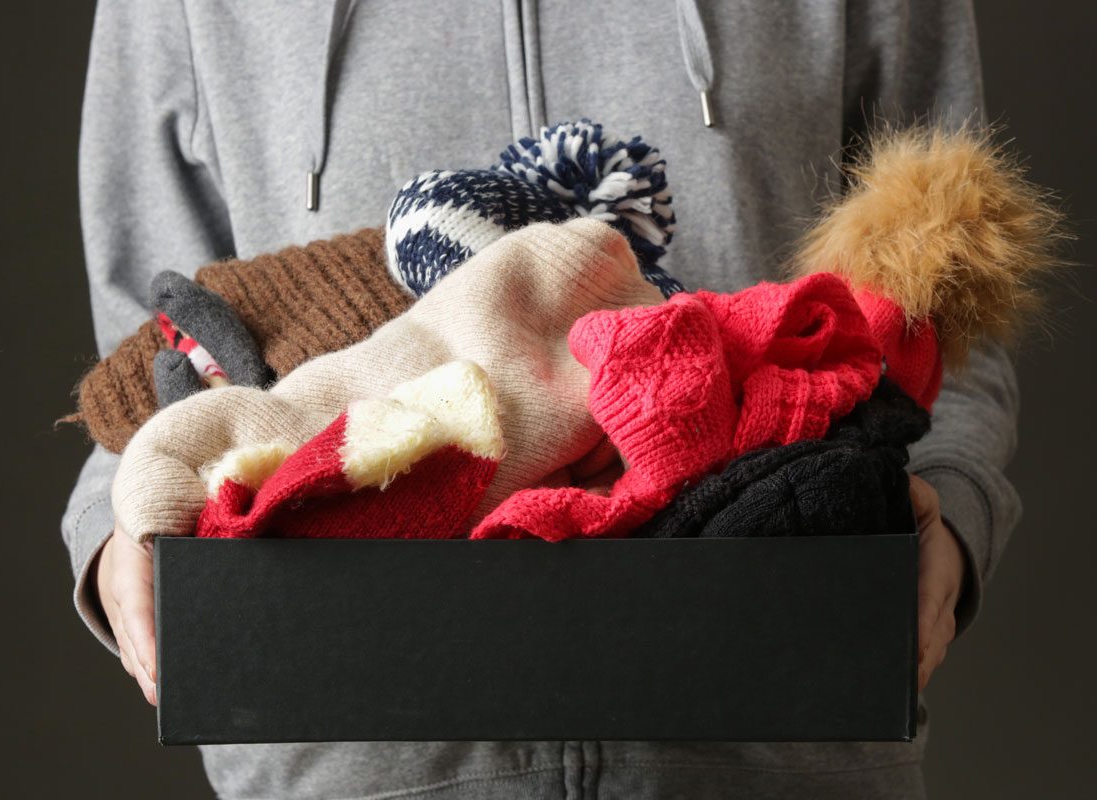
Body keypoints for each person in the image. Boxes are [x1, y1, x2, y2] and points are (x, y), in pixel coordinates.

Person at [64, 1, 1015, 797]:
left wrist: (954, 516)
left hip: (772, 741)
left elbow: (948, 290)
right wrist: (115, 539)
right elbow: (140, 360)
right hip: (355, 755)